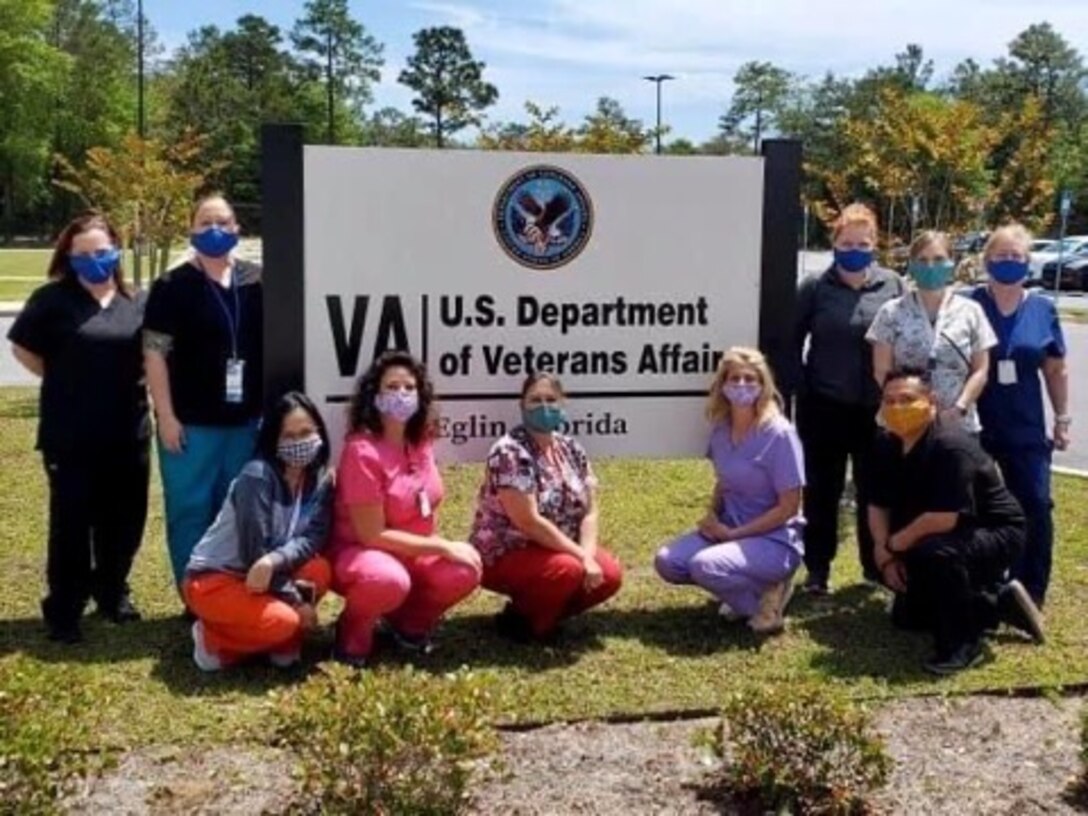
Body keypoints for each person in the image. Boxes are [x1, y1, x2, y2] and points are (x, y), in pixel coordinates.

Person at [7, 212, 149, 643]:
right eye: (83, 254)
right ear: (68, 256)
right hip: (70, 436)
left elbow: (154, 357)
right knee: (71, 524)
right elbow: (22, 349)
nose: (94, 260)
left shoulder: (135, 301)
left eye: (102, 252)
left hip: (128, 432)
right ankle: (65, 607)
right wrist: (64, 375)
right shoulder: (52, 300)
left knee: (124, 520)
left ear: (117, 252)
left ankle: (112, 592)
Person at [869, 368, 1044, 676]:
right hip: (941, 531)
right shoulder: (886, 444)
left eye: (908, 399)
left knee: (935, 554)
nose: (898, 408)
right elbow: (877, 504)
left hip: (996, 532)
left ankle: (961, 644)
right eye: (890, 400)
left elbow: (944, 518)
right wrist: (883, 555)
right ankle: (997, 604)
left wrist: (895, 545)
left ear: (931, 401)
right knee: (907, 619)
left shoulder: (950, 445)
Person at [329, 351, 480, 667]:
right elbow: (372, 535)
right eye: (391, 386)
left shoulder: (421, 441)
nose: (402, 394)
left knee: (465, 569)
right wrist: (440, 545)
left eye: (409, 387)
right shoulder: (362, 450)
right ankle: (352, 632)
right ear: (375, 396)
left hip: (415, 552)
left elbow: (427, 502)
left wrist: (442, 548)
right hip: (362, 553)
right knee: (388, 580)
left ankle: (409, 623)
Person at [143, 194, 263, 591]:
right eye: (205, 222)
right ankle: (195, 594)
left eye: (223, 222)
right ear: (191, 230)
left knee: (238, 509)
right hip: (191, 424)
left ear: (237, 229)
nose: (215, 230)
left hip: (246, 422)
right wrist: (166, 416)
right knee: (190, 510)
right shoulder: (171, 286)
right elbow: (155, 353)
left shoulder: (256, 279)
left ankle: (231, 590)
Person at [794, 203, 906, 593]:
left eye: (863, 242)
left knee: (873, 489)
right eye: (847, 242)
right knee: (822, 491)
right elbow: (791, 343)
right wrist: (803, 390)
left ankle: (873, 566)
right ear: (834, 243)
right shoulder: (814, 287)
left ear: (875, 244)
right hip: (824, 407)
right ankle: (817, 570)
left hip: (877, 410)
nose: (854, 249)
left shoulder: (893, 284)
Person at [655, 348, 805, 635]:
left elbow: (789, 507)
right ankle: (747, 589)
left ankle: (768, 602)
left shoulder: (780, 434)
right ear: (722, 385)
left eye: (751, 379)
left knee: (704, 565)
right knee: (668, 562)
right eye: (734, 378)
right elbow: (724, 482)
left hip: (773, 539)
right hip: (728, 529)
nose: (742, 385)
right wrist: (712, 516)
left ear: (764, 385)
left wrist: (734, 535)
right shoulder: (721, 430)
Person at [183, 392, 333, 671]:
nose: (300, 442)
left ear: (320, 433)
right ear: (273, 441)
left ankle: (281, 641)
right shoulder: (257, 476)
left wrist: (275, 562)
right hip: (217, 579)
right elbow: (256, 553)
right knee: (285, 620)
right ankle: (214, 639)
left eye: (307, 432)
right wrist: (295, 601)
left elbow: (312, 537)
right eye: (289, 436)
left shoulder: (320, 479)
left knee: (319, 570)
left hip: (267, 572)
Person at [469, 373, 623, 641]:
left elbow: (590, 511)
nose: (544, 407)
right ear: (522, 406)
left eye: (551, 400)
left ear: (563, 403)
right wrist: (581, 558)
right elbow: (528, 521)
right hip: (507, 550)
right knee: (568, 570)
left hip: (558, 548)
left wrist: (587, 554)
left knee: (608, 574)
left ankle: (526, 613)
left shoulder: (571, 448)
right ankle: (532, 629)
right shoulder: (510, 452)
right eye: (535, 400)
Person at [971, 224, 1071, 607]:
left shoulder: (1043, 308)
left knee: (1034, 502)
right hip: (976, 424)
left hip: (1024, 426)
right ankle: (982, 581)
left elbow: (1055, 369)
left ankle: (1029, 589)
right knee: (977, 506)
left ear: (1028, 262)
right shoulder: (968, 302)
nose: (1008, 262)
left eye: (1017, 257)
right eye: (1001, 256)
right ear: (987, 260)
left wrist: (1062, 418)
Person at [867, 230, 996, 433]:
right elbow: (881, 370)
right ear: (912, 265)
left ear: (951, 263)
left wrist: (958, 409)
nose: (930, 266)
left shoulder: (971, 311)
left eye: (938, 259)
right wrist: (906, 406)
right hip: (902, 424)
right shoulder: (891, 312)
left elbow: (980, 370)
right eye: (922, 260)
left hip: (956, 424)